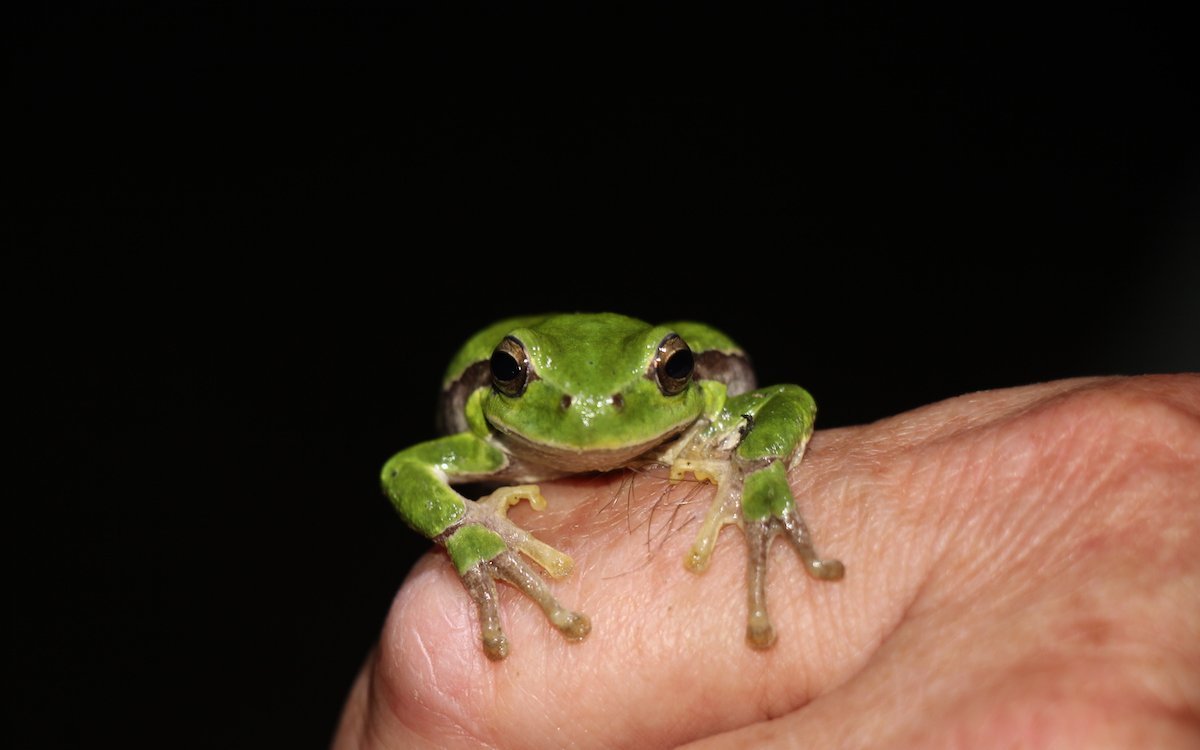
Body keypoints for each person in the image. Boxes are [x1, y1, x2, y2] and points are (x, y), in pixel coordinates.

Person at [332, 375, 1199, 748]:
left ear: (702, 383)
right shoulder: (480, 443)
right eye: (518, 380)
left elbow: (787, 401)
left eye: (667, 374)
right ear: (481, 394)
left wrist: (758, 471)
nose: (592, 412)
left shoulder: (720, 411)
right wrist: (470, 531)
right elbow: (406, 468)